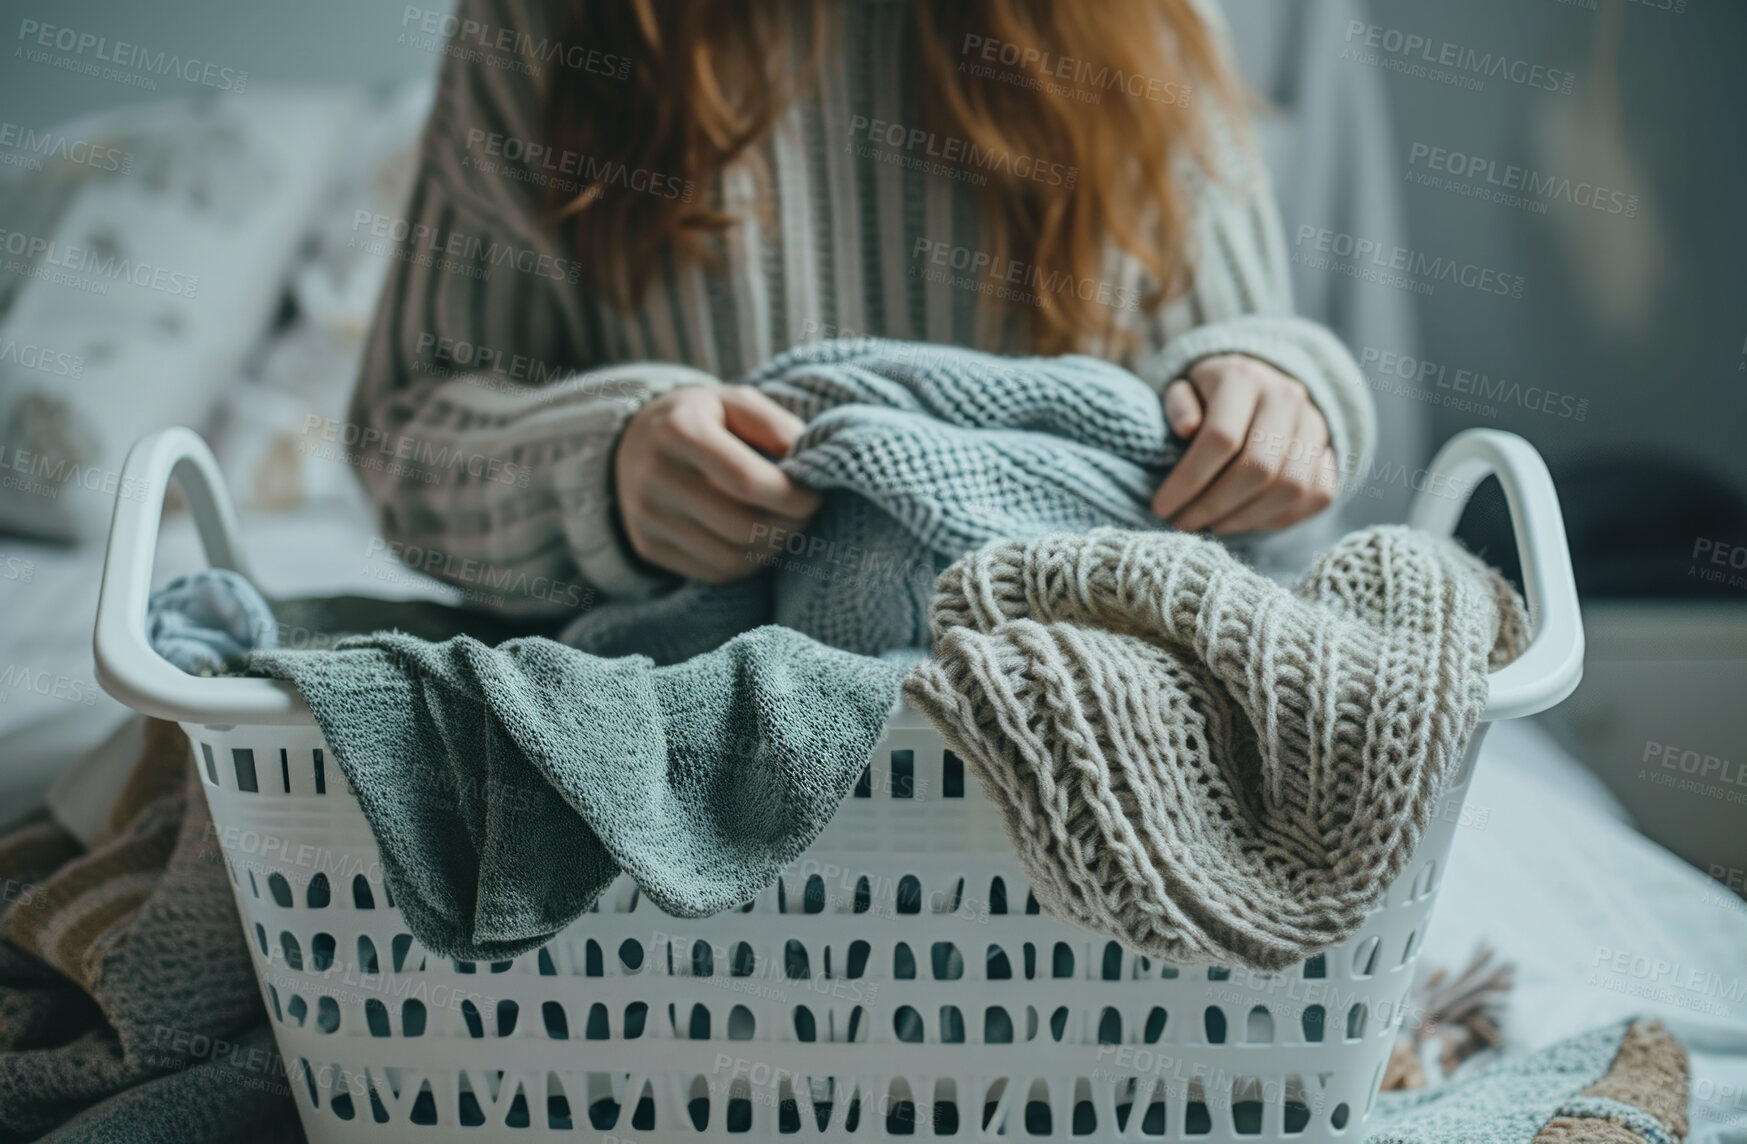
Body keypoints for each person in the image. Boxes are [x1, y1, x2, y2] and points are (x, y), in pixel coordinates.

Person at [353, 0, 1375, 612]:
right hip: (679, 760)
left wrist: (1284, 393)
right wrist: (602, 474)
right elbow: (406, 434)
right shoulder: (549, 23)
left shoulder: (1141, 17)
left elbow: (1243, 364)